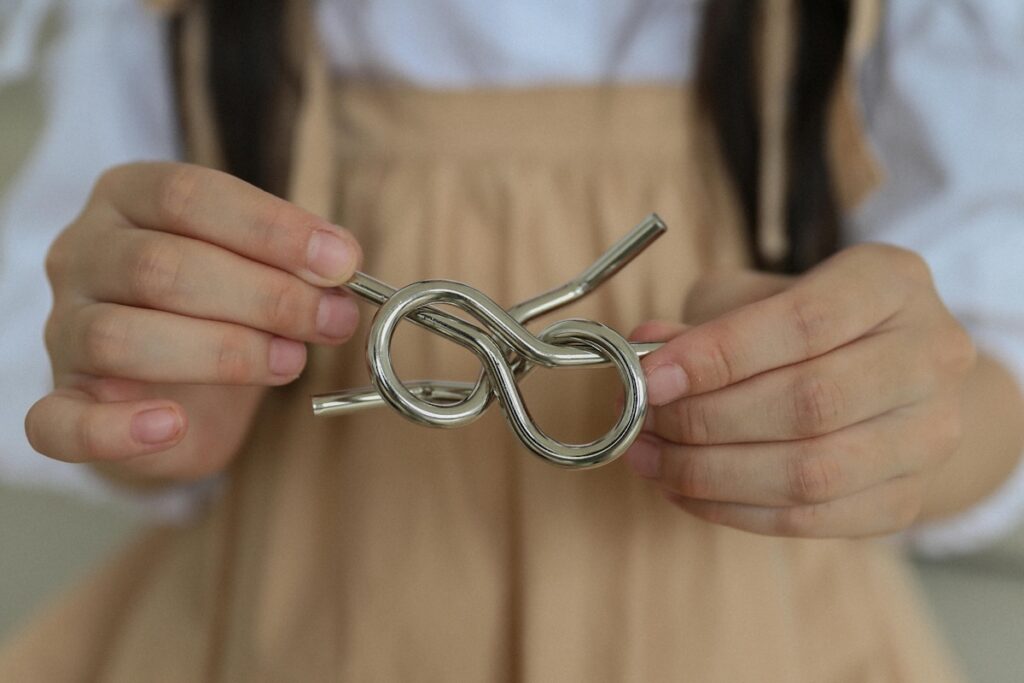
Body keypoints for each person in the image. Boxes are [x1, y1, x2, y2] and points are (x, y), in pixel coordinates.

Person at [1, 0, 1023, 679]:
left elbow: (988, 376)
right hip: (289, 623)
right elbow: (120, 390)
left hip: (755, 635)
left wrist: (905, 415)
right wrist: (158, 403)